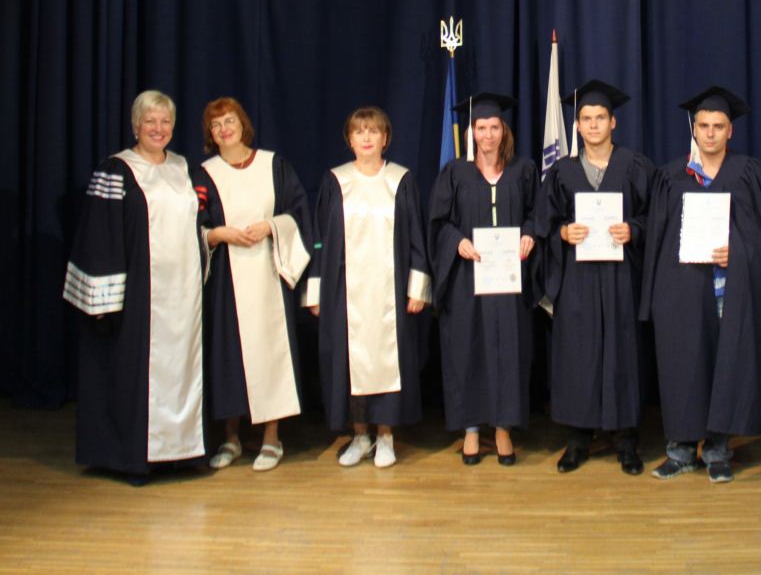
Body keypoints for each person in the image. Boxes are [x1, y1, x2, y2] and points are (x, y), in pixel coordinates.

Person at [640, 86, 761, 483]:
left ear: (731, 131)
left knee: (726, 368)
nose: (710, 133)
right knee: (683, 367)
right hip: (682, 290)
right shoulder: (671, 176)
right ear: (693, 129)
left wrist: (738, 252)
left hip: (730, 291)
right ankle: (679, 451)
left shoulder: (749, 173)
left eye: (718, 126)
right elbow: (657, 240)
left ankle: (716, 450)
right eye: (703, 125)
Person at [63, 90, 206, 480]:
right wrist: (106, 302)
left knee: (181, 371)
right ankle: (133, 457)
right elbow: (100, 235)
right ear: (135, 125)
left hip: (183, 294)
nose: (158, 128)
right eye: (150, 121)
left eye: (165, 121)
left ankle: (179, 452)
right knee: (135, 374)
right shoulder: (117, 170)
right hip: (141, 294)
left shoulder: (181, 167)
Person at [306, 106, 432, 469]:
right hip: (343, 291)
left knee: (387, 361)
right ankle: (360, 436)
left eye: (373, 131)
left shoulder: (400, 180)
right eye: (359, 131)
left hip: (390, 289)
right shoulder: (336, 181)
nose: (366, 138)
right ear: (349, 139)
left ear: (385, 138)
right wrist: (315, 291)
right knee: (349, 363)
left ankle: (386, 436)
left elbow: (417, 239)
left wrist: (417, 289)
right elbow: (319, 240)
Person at [536, 79, 651, 475]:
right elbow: (544, 225)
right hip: (578, 280)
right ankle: (577, 440)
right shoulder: (562, 171)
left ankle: (626, 441)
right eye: (586, 119)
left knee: (622, 353)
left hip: (621, 278)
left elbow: (656, 217)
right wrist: (562, 233)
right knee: (578, 355)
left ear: (613, 122)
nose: (593, 125)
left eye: (600, 118)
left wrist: (634, 229)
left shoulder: (635, 166)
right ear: (577, 125)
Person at [195, 97, 312, 473]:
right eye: (216, 125)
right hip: (225, 279)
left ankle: (271, 438)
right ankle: (230, 438)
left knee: (269, 352)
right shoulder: (205, 174)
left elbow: (299, 213)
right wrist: (217, 234)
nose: (224, 129)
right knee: (227, 354)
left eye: (229, 121)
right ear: (211, 134)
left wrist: (271, 226)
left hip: (267, 275)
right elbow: (192, 224)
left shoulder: (273, 165)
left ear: (243, 124)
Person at [428, 92, 538, 466]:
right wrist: (456, 241)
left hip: (508, 280)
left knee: (509, 351)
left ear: (503, 130)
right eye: (481, 128)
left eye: (494, 127)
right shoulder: (455, 173)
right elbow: (439, 223)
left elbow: (535, 214)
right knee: (467, 349)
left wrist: (529, 234)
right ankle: (471, 428)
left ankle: (504, 427)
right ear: (471, 132)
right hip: (467, 279)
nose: (487, 135)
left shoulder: (523, 170)